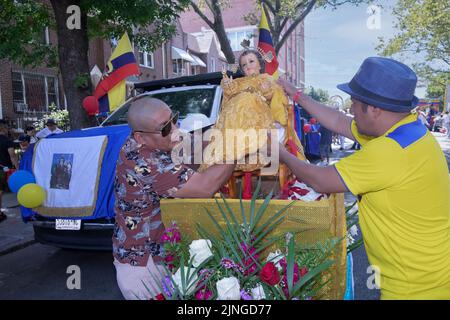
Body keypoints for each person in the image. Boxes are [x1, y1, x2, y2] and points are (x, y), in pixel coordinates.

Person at [277, 57, 450, 299]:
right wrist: (298, 96)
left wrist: (280, 154)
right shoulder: (406, 130)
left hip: (415, 288)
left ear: (375, 109)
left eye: (355, 104)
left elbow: (320, 180)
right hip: (431, 276)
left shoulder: (390, 151)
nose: (351, 110)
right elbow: (339, 121)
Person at [113, 96, 235, 300]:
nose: (174, 129)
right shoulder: (145, 162)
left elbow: (194, 145)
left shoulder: (157, 139)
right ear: (140, 138)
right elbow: (206, 187)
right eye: (165, 128)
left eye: (174, 119)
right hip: (143, 267)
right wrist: (235, 150)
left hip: (157, 254)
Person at [200, 48, 305, 173]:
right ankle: (229, 148)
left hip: (258, 116)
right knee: (233, 112)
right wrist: (227, 85)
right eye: (244, 64)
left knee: (246, 102)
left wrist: (266, 91)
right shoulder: (239, 82)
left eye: (251, 61)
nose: (248, 66)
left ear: (260, 64)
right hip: (235, 118)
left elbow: (276, 99)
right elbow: (229, 95)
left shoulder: (267, 79)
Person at [0, 123, 19, 222]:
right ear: (3, 128)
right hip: (2, 170)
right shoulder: (7, 141)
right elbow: (12, 156)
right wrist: (17, 168)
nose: (8, 130)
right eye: (7, 128)